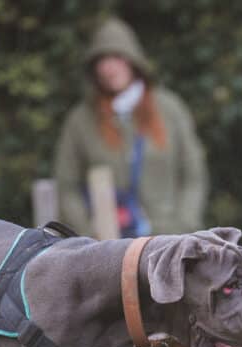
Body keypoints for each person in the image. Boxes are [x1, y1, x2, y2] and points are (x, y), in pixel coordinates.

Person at [53, 17, 207, 238]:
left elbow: (194, 175)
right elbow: (67, 186)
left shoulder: (170, 109)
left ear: (133, 60)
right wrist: (89, 238)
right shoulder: (81, 120)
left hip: (169, 240)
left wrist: (185, 224)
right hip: (110, 249)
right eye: (101, 60)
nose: (108, 68)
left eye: (116, 57)